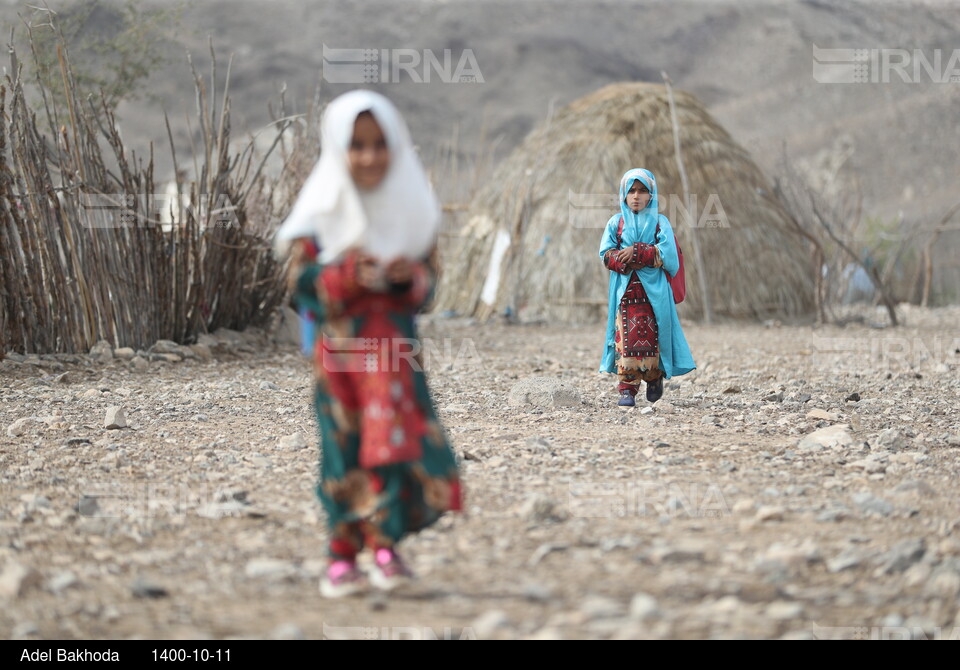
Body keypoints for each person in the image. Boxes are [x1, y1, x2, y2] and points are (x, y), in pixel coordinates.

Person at [275, 90, 462, 598]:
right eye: (356, 145)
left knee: (395, 447)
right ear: (339, 150)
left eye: (380, 144)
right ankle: (340, 555)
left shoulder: (411, 214)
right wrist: (346, 276)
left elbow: (428, 289)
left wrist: (408, 278)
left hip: (397, 358)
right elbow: (302, 290)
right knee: (344, 449)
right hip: (340, 362)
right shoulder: (322, 215)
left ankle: (385, 549)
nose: (370, 156)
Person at [599, 168, 696, 406]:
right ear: (623, 194)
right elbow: (604, 254)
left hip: (655, 292)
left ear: (651, 194)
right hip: (625, 291)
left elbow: (669, 255)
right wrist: (621, 257)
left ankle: (654, 377)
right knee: (625, 336)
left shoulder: (660, 222)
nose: (636, 196)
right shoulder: (616, 222)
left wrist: (638, 251)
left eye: (642, 191)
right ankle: (627, 388)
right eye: (631, 190)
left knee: (654, 335)